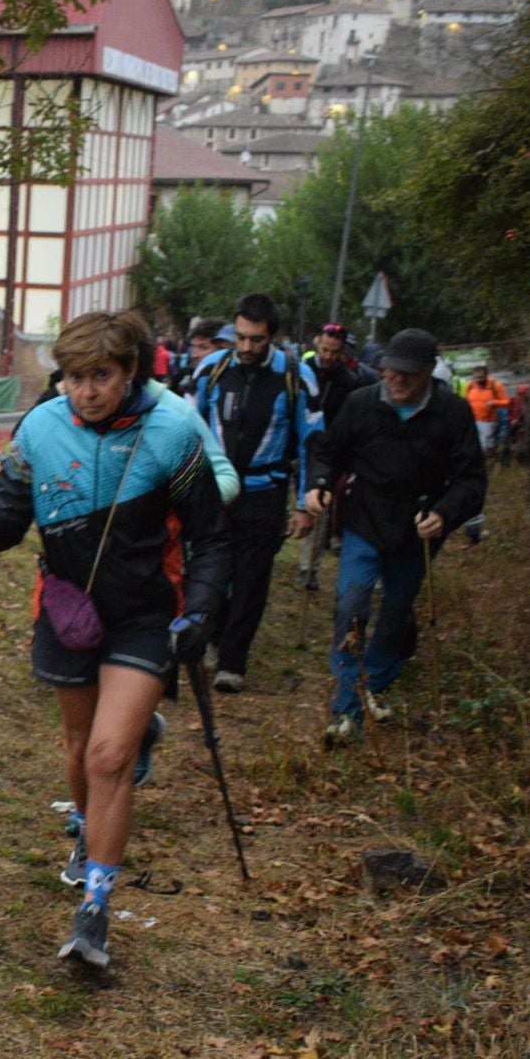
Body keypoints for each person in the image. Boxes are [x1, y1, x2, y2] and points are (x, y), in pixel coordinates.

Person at [0, 311, 228, 971]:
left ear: (131, 370)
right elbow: (7, 525)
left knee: (108, 756)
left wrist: (202, 611)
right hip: (69, 610)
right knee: (79, 749)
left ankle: (95, 911)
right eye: (75, 378)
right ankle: (87, 830)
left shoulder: (171, 434)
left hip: (144, 613)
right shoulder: (40, 428)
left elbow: (211, 536)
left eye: (101, 376)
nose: (86, 391)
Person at [304, 328, 485, 745]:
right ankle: (345, 711)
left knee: (396, 611)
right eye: (390, 371)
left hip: (417, 527)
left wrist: (445, 512)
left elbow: (472, 481)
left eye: (407, 374)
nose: (396, 381)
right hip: (365, 518)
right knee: (351, 604)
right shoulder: (362, 403)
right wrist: (319, 483)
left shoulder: (453, 414)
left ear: (427, 373)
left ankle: (377, 679)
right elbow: (329, 450)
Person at [190, 292, 318, 693]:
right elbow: (186, 427)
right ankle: (213, 635)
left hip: (265, 492)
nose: (246, 347)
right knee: (210, 570)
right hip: (213, 489)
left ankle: (233, 660)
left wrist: (304, 502)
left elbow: (311, 441)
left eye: (256, 340)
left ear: (273, 338)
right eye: (241, 337)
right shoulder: (211, 369)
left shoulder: (297, 378)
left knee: (251, 577)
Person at [297, 323, 378, 591]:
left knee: (319, 504)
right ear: (317, 342)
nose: (328, 356)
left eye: (334, 352)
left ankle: (309, 568)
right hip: (298, 444)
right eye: (324, 349)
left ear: (342, 351)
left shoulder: (349, 381)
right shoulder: (301, 370)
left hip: (327, 450)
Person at [463, 365, 511, 454]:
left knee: (486, 445)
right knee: (474, 444)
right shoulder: (470, 385)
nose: (478, 380)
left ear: (486, 376)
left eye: (480, 377)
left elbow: (506, 402)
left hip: (488, 420)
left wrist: (494, 402)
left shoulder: (495, 385)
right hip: (472, 420)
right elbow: (465, 401)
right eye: (476, 377)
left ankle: (488, 460)